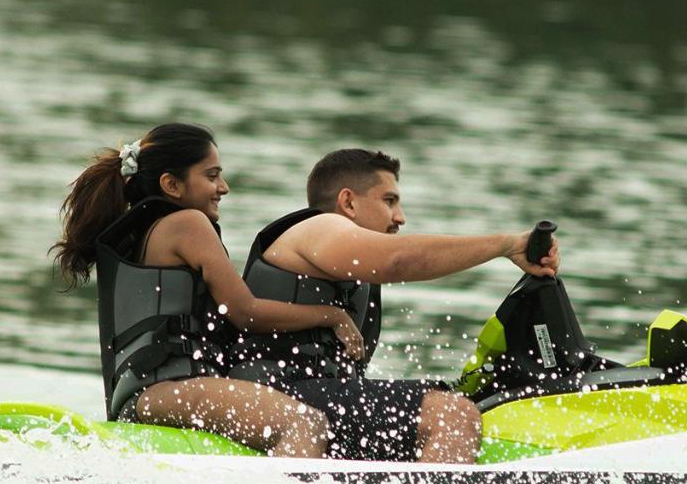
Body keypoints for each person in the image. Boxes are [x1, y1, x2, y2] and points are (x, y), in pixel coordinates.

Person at [50, 123, 364, 458]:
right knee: (304, 423)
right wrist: (333, 316)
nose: (223, 188)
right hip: (163, 393)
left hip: (142, 396)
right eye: (211, 176)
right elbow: (245, 312)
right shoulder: (188, 224)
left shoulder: (143, 231)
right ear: (171, 184)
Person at [231, 148, 559, 464]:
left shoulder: (351, 268)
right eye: (389, 201)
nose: (400, 217)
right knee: (451, 414)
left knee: (454, 398)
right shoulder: (317, 228)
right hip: (271, 396)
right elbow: (399, 259)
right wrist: (506, 245)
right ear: (347, 202)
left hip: (316, 396)